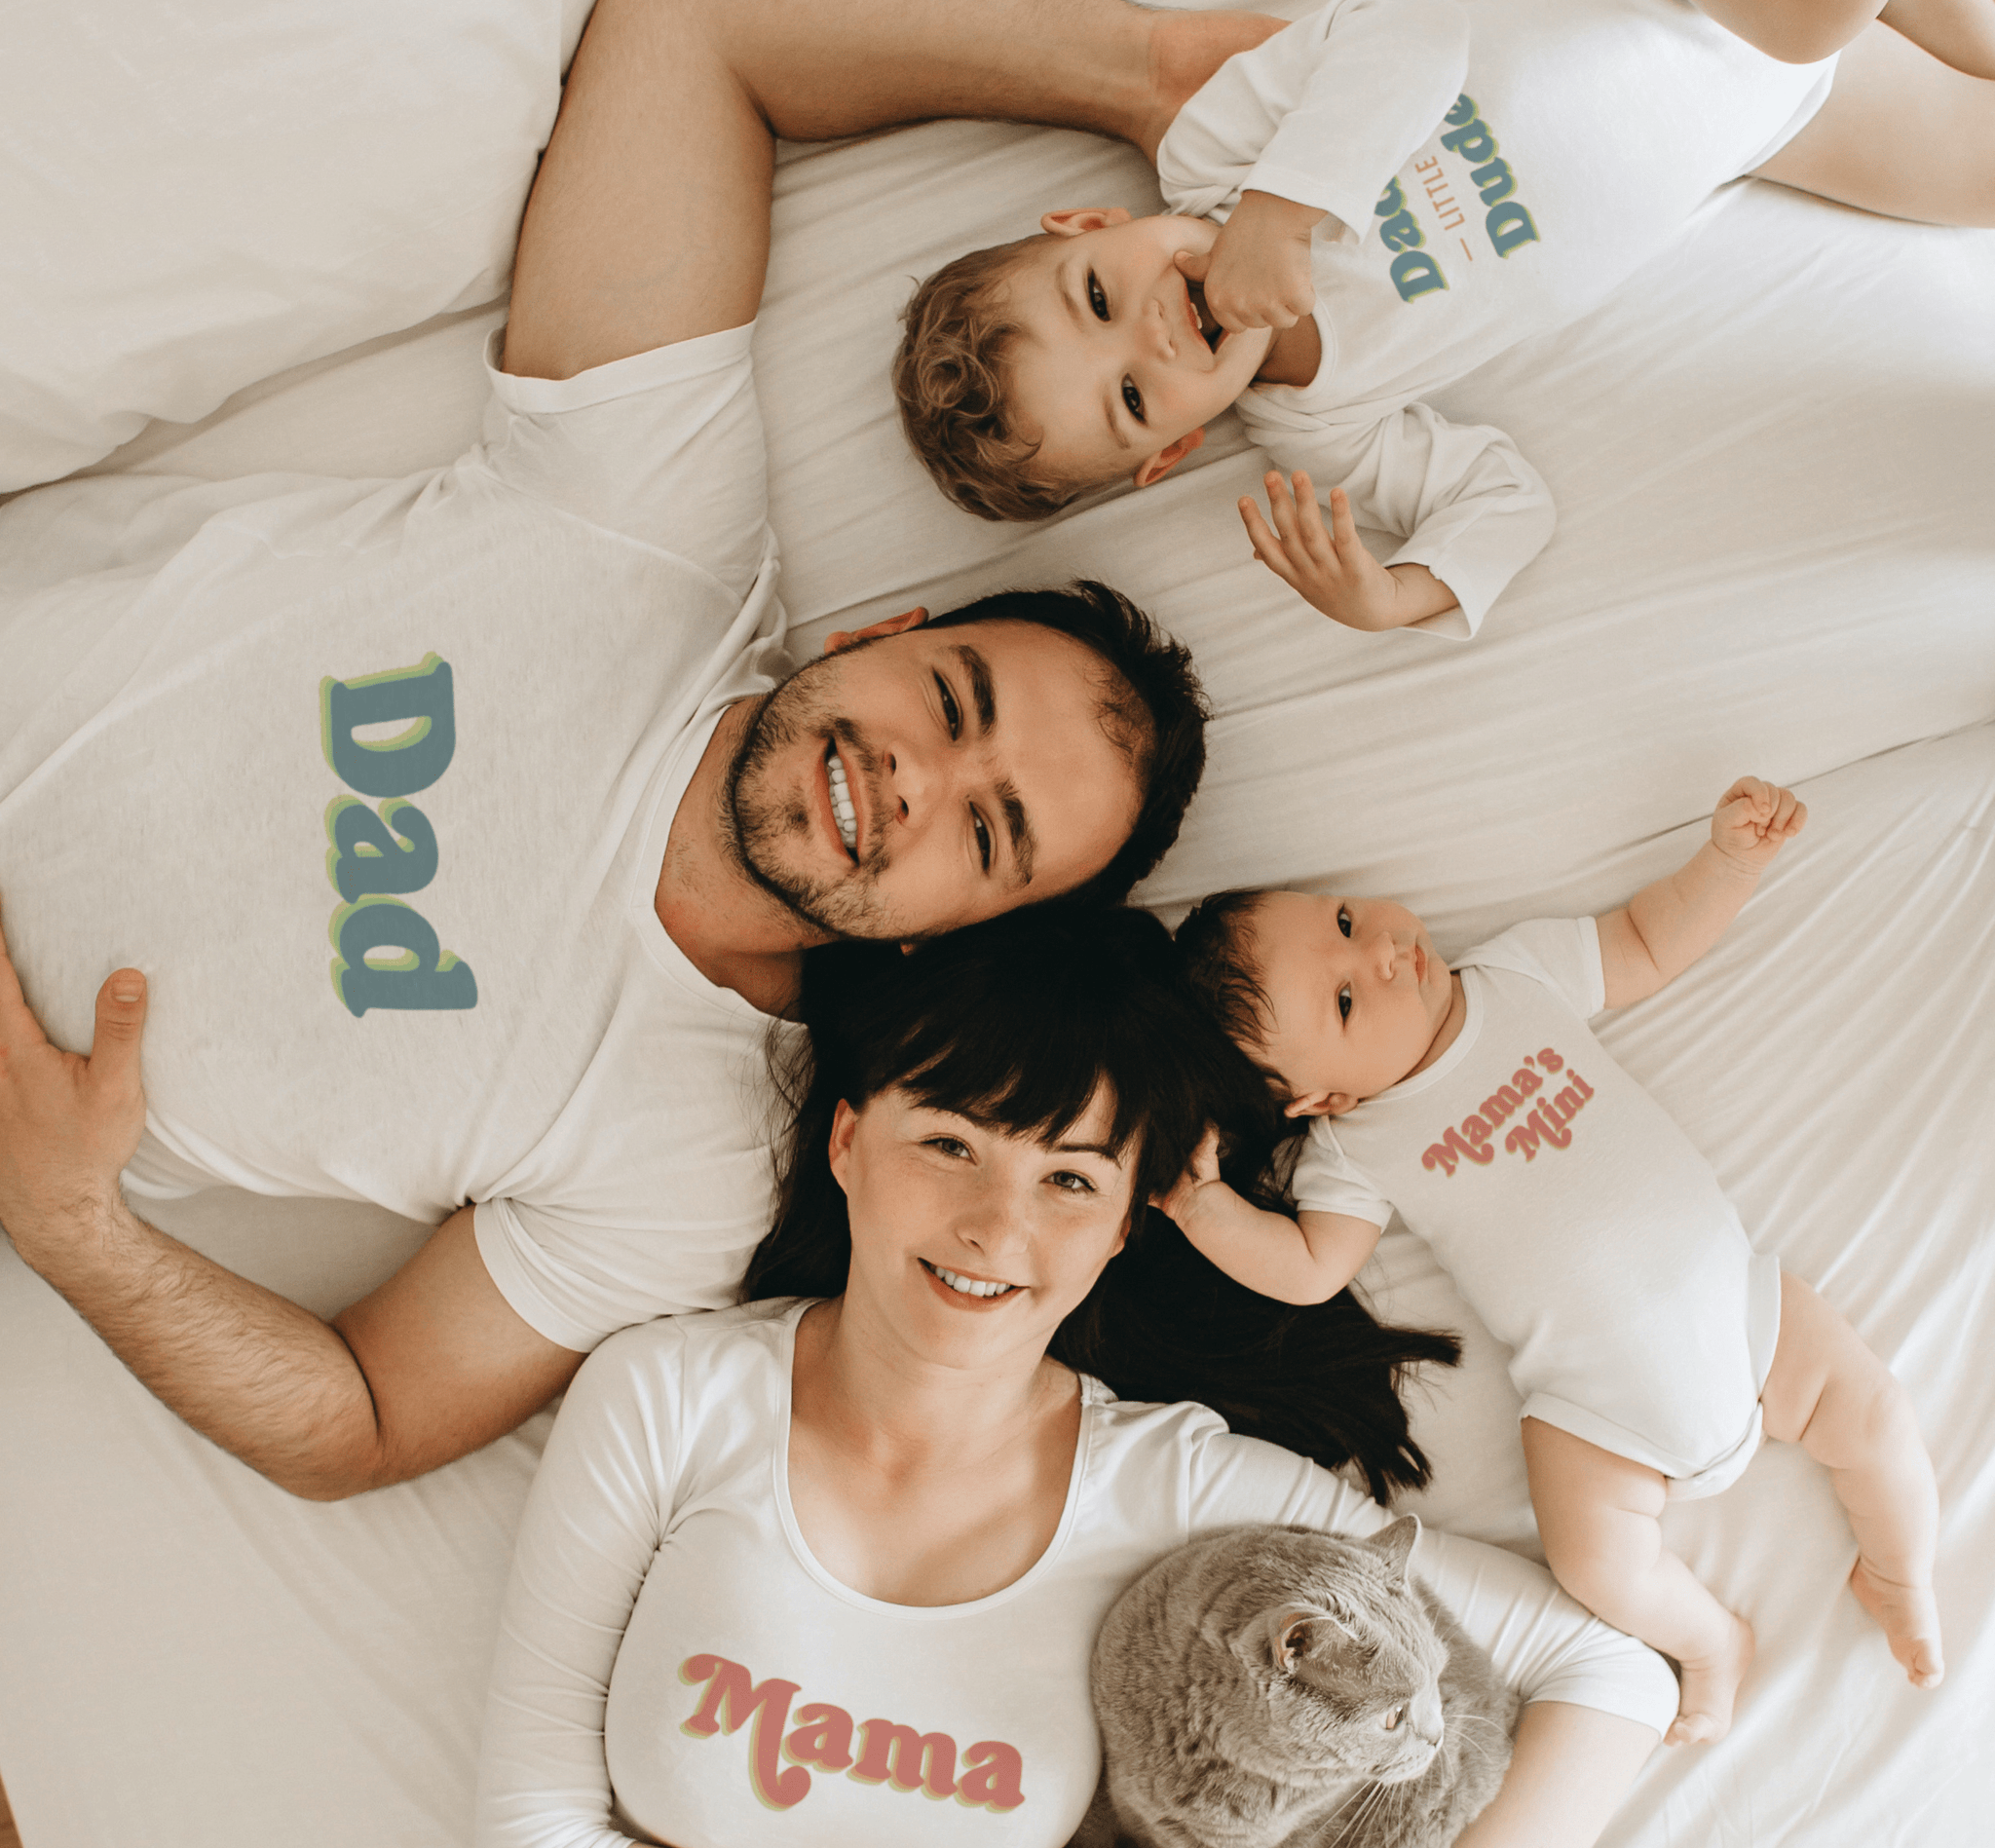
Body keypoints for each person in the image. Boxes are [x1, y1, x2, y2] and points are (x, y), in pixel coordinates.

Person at [0, 0, 1289, 1501]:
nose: (914, 783)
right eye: (951, 705)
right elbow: (695, 36)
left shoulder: (689, 1163)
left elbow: (365, 1417)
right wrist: (1141, 79)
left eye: (988, 835)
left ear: (954, 934)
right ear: (883, 633)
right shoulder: (649, 525)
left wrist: (72, 1230)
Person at [472, 902, 1678, 1848]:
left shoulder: (1169, 1482)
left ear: (1120, 1227)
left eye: (1067, 1179)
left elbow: (1605, 1668)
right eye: (949, 1144)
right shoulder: (669, 1395)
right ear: (846, 1140)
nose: (996, 1227)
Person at [1163, 778, 1943, 1746]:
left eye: (1344, 920)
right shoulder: (1355, 1148)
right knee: (1592, 1561)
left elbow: (1645, 941)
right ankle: (1711, 1642)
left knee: (1875, 1415)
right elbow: (1311, 1267)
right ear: (1321, 1099)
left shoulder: (1514, 974)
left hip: (1740, 1311)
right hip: (1592, 1410)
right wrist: (1201, 1207)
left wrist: (1727, 864)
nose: (1381, 950)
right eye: (1346, 998)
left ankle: (1899, 1573)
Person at [891, 0, 1995, 639]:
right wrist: (1393, 594)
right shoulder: (1322, 428)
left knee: (1820, 19)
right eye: (1133, 397)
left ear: (1092, 221)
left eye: (1097, 294)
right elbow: (1503, 497)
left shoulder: (1217, 150)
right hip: (1760, 126)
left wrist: (1283, 206)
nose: (1154, 333)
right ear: (1171, 450)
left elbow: (1410, 35)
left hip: (1671, 11)